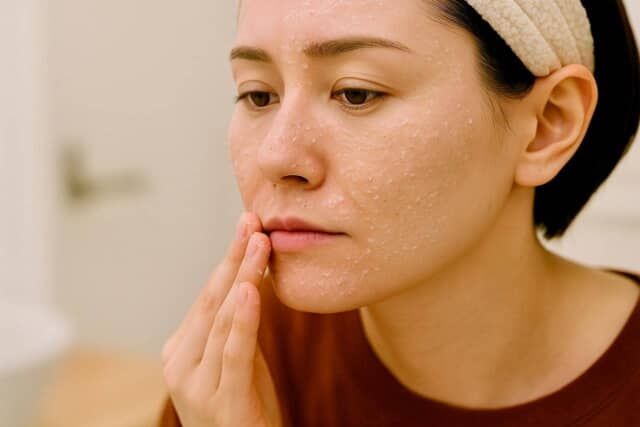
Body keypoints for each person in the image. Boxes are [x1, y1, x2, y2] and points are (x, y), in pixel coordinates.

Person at [158, 0, 640, 426]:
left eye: (356, 92)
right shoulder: (242, 353)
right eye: (258, 95)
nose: (276, 157)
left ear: (548, 124)